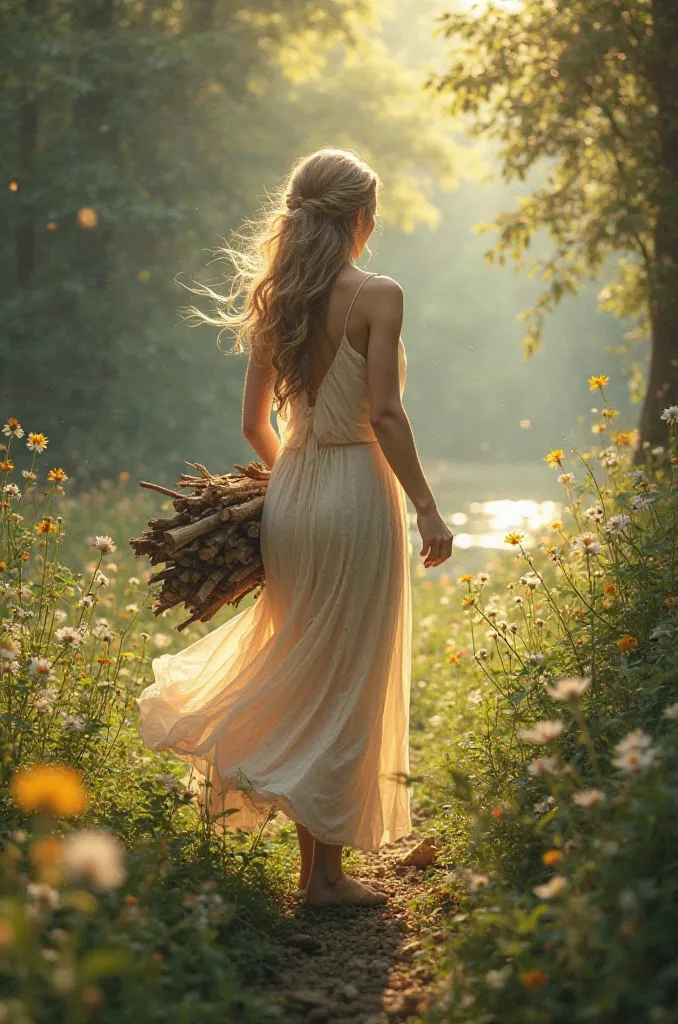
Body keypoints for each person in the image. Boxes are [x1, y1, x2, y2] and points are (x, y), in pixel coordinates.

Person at [136, 147, 453, 906]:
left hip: (294, 491)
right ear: (360, 218)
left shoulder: (276, 300)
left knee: (308, 662)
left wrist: (294, 478)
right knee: (346, 677)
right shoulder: (379, 293)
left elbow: (253, 426)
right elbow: (383, 414)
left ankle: (318, 871)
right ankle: (326, 880)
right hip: (354, 490)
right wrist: (427, 506)